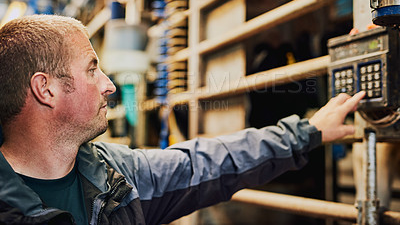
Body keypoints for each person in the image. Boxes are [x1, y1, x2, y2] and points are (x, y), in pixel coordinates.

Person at [0, 15, 365, 225]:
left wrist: (310, 130)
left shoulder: (115, 176)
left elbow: (205, 163)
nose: (108, 85)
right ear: (45, 89)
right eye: (92, 70)